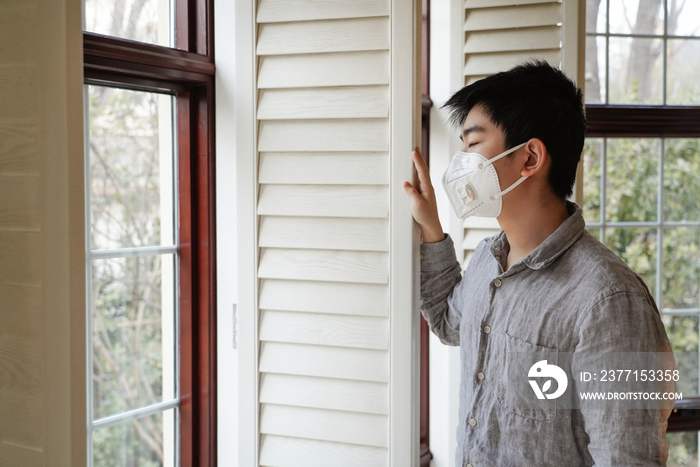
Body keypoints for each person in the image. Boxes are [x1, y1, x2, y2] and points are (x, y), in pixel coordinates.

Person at [403, 60, 675, 466]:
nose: (461, 161)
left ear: (530, 157)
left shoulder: (611, 300)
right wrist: (430, 227)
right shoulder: (486, 261)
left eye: (473, 144)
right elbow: (447, 320)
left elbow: (628, 457)